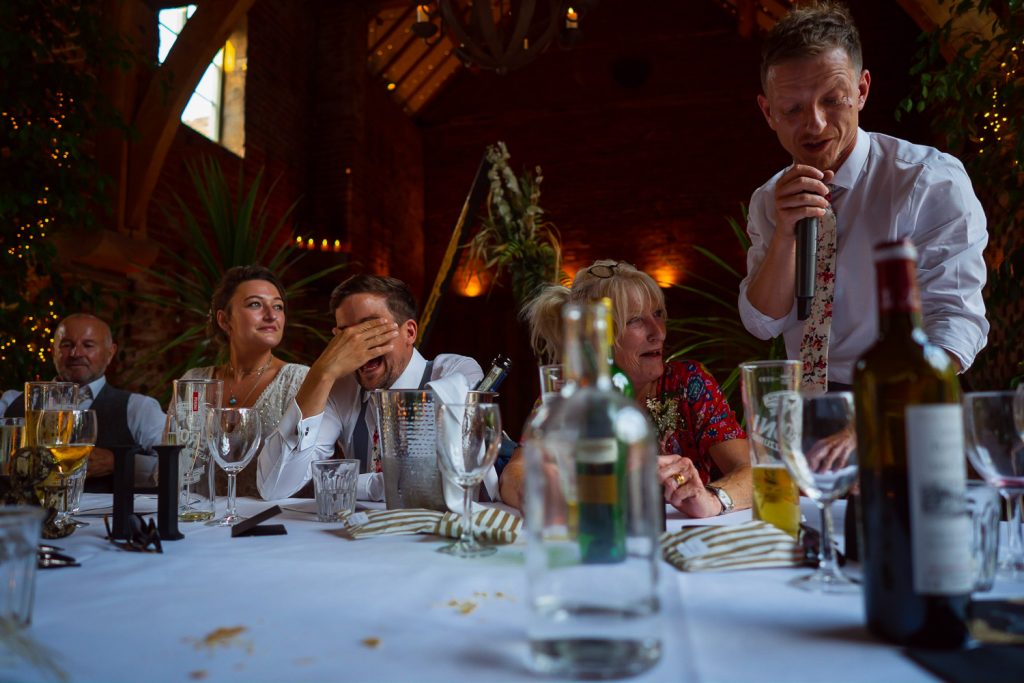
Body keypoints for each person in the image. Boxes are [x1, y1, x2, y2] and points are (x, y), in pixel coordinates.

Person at [738, 1, 988, 391]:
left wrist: (873, 415)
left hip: (904, 397)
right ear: (768, 112)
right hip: (808, 408)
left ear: (861, 91)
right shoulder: (769, 199)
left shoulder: (927, 180)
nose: (815, 123)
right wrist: (785, 233)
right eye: (792, 108)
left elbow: (956, 323)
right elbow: (762, 324)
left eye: (832, 100)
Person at [500, 260, 751, 518]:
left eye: (658, 314)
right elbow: (514, 474)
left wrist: (712, 498)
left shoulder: (689, 384)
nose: (659, 333)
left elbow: (752, 470)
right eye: (636, 321)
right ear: (597, 335)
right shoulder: (571, 394)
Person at [256, 274, 483, 500]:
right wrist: (321, 373)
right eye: (345, 336)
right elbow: (274, 488)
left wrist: (347, 482)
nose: (357, 346)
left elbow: (439, 481)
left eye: (370, 330)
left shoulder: (457, 373)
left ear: (409, 332)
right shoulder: (342, 388)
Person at [178, 265, 309, 499]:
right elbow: (172, 463)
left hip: (272, 524)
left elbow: (305, 469)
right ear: (225, 320)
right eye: (255, 304)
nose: (271, 315)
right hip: (197, 520)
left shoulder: (299, 380)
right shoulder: (194, 382)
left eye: (278, 306)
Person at [0, 313, 165, 491]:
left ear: (110, 353)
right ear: (52, 350)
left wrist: (119, 462)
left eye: (88, 345)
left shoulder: (139, 408)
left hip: (104, 518)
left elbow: (177, 466)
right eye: (66, 344)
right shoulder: (10, 401)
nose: (76, 353)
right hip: (23, 516)